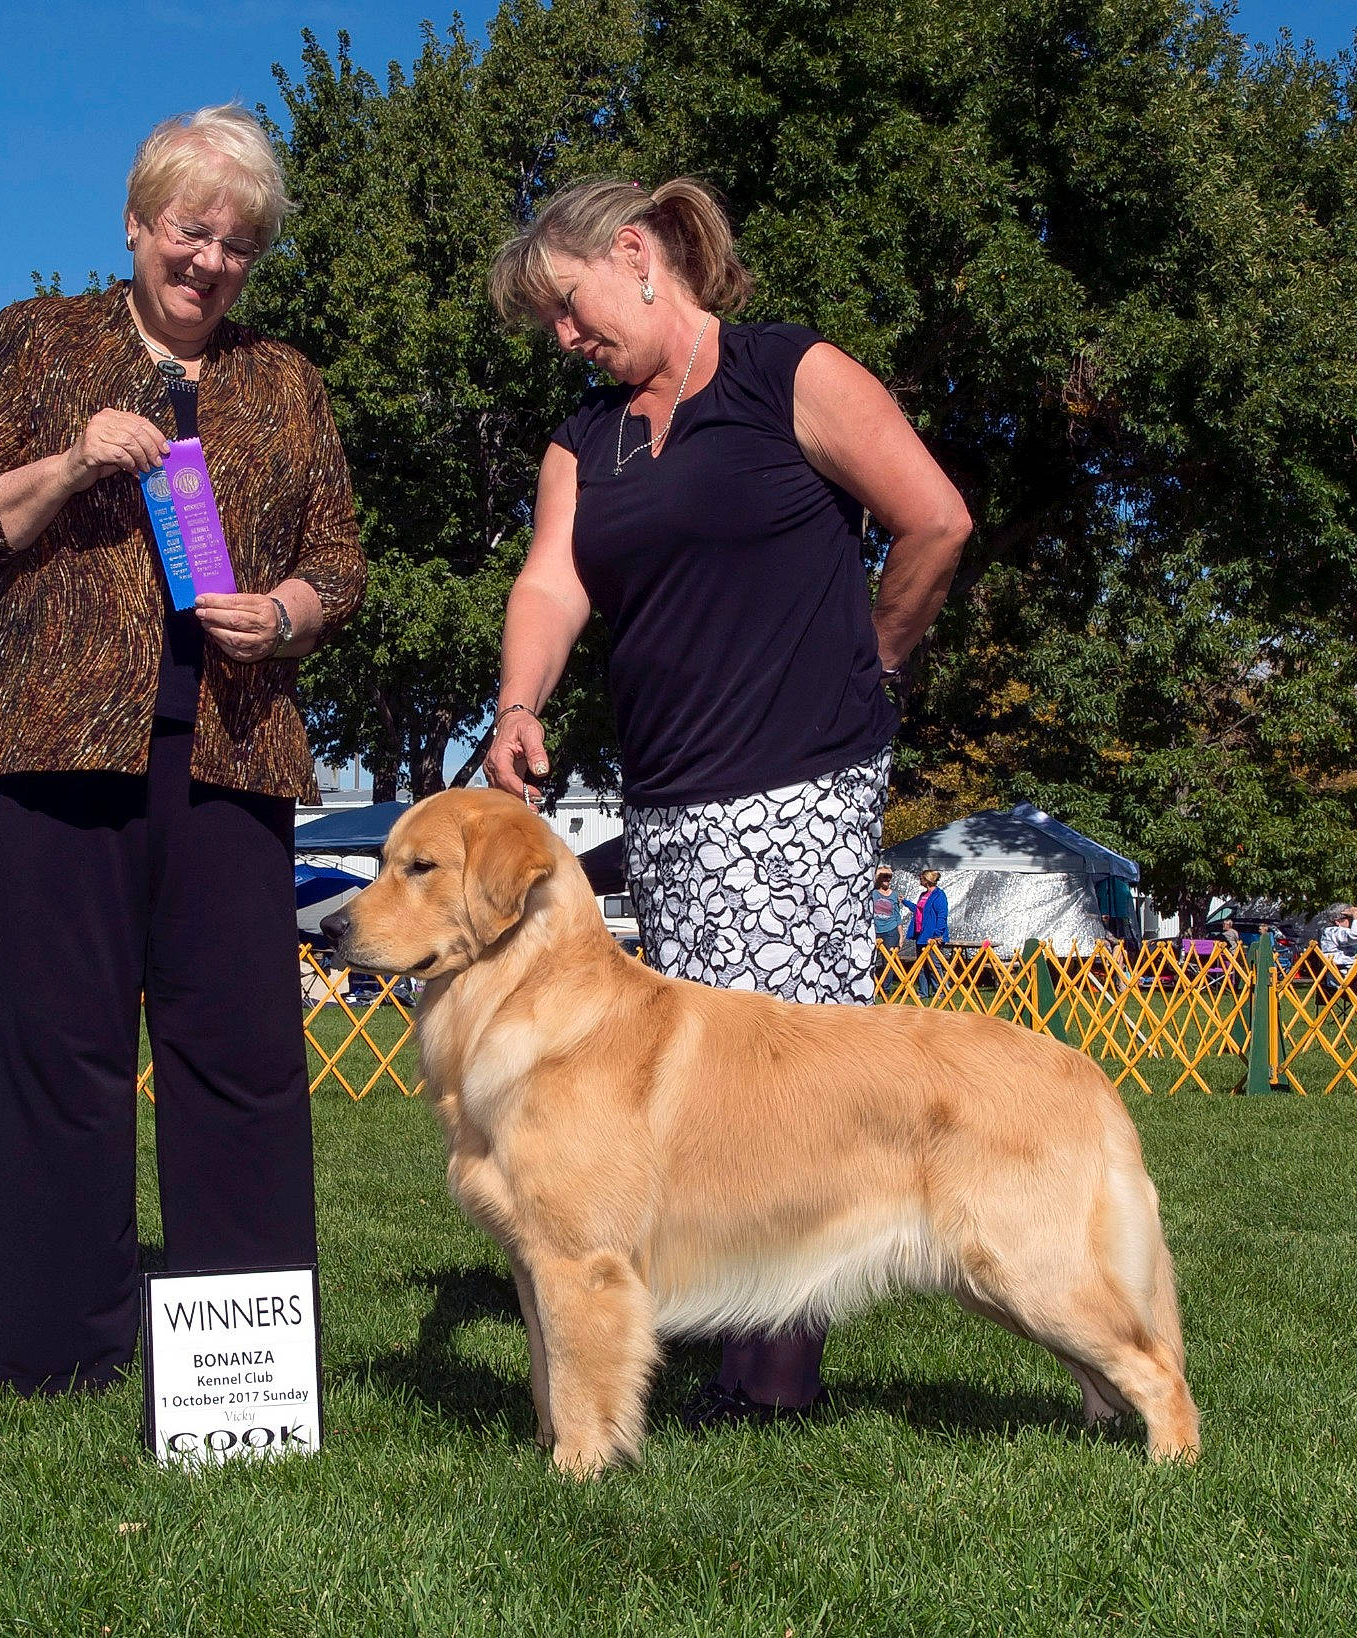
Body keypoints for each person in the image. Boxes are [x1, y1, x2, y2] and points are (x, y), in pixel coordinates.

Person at [482, 176, 972, 1426]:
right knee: (697, 1092)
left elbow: (933, 518)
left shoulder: (785, 373)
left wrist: (876, 658)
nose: (561, 338)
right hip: (667, 795)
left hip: (801, 779)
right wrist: (519, 704)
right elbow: (550, 585)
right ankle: (729, 1348)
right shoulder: (581, 439)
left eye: (567, 306)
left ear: (636, 254)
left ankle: (769, 1378)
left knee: (782, 1079)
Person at [0, 105, 365, 1395]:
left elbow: (339, 564)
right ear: (135, 223)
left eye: (237, 243)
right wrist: (68, 460)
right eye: (190, 229)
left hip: (230, 752)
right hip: (42, 757)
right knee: (59, 1058)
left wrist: (281, 615)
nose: (210, 260)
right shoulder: (40, 339)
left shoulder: (287, 381)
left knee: (244, 1061)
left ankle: (251, 1368)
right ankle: (61, 1355)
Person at [911, 869, 950, 1000]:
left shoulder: (939, 895)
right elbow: (918, 911)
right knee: (921, 965)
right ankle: (923, 991)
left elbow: (942, 915)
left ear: (926, 880)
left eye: (921, 878)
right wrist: (905, 902)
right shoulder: (923, 895)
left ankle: (940, 991)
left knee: (934, 964)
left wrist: (937, 934)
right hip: (921, 934)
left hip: (933, 935)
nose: (919, 880)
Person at [871, 865, 905, 992]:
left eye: (889, 877)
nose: (886, 879)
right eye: (883, 877)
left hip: (890, 931)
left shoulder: (894, 895)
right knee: (870, 960)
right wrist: (878, 874)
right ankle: (871, 986)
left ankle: (886, 988)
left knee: (889, 961)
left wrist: (901, 936)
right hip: (874, 930)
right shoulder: (872, 893)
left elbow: (897, 916)